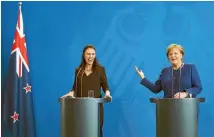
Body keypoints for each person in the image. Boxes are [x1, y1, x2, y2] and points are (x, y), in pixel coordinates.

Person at [63, 44, 111, 137]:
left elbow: (105, 86)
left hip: (96, 107)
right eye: (88, 54)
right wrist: (70, 93)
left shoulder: (100, 70)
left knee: (96, 131)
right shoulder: (79, 71)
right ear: (84, 55)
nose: (91, 56)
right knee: (81, 131)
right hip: (81, 107)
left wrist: (107, 94)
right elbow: (75, 87)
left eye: (93, 54)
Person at [135, 44, 202, 98]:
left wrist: (186, 93)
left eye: (175, 53)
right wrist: (143, 77)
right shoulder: (165, 71)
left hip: (187, 108)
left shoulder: (190, 68)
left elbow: (198, 87)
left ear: (181, 55)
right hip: (167, 108)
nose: (173, 56)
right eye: (170, 54)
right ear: (168, 57)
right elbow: (156, 89)